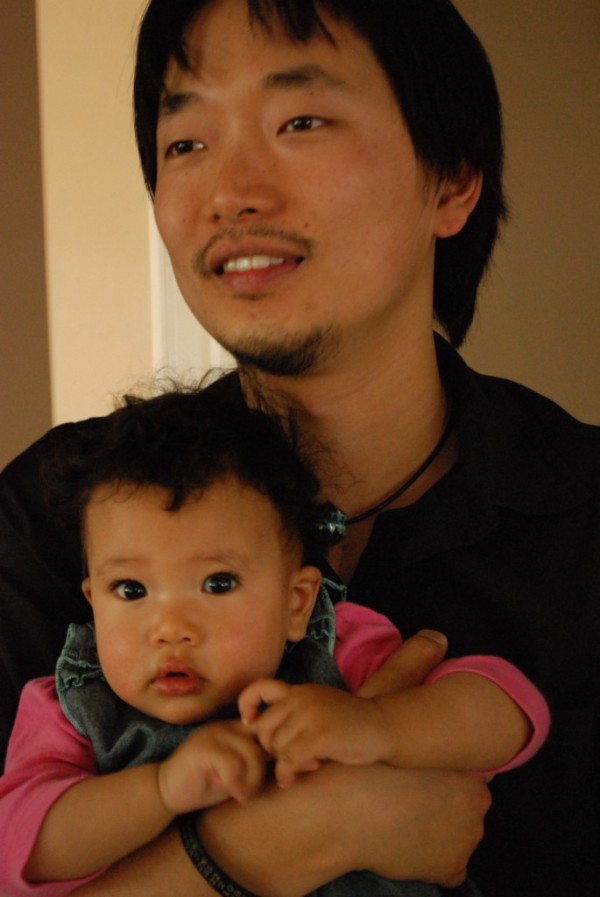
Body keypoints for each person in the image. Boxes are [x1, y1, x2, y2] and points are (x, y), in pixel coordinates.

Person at [0, 0, 598, 895]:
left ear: (451, 183)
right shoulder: (56, 509)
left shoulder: (580, 513)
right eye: (186, 142)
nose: (230, 192)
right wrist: (262, 847)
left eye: (301, 122)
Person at [0, 384, 549, 897]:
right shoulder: (72, 711)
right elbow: (20, 851)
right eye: (131, 589)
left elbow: (511, 713)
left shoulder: (336, 653)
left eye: (218, 583)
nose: (169, 627)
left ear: (296, 603)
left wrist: (380, 725)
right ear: (93, 601)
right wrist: (162, 790)